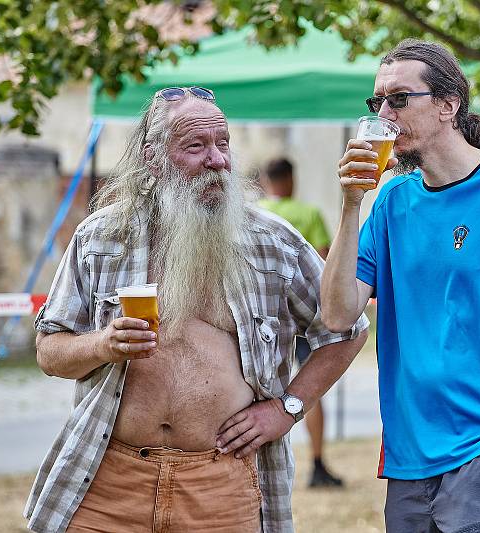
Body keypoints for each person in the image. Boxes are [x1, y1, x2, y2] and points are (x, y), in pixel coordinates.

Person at [24, 86, 368, 533]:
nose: (217, 160)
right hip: (110, 480)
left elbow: (346, 330)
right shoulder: (100, 237)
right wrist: (103, 344)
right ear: (153, 157)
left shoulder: (272, 241)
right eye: (196, 146)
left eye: (223, 143)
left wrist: (286, 409)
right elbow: (49, 352)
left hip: (220, 484)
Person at [320, 39, 480, 533]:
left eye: (399, 99)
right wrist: (351, 206)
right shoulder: (391, 200)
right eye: (377, 103)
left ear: (448, 105)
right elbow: (336, 315)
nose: (384, 114)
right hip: (408, 459)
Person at [258, 157, 343, 488]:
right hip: (303, 319)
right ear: (291, 179)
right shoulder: (308, 213)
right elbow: (322, 265)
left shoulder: (253, 213)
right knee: (310, 390)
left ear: (266, 180)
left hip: (264, 320)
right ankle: (318, 463)